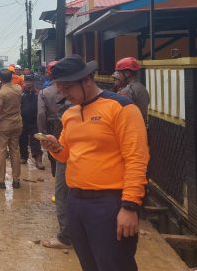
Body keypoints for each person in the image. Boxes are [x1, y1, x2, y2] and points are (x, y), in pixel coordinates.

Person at [40, 55, 149, 271]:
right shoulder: (70, 113)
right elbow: (67, 154)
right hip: (76, 202)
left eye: (67, 87)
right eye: (60, 88)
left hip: (109, 203)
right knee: (89, 264)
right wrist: (55, 148)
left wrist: (129, 206)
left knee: (115, 264)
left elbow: (137, 159)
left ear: (86, 80)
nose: (63, 93)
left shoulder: (121, 108)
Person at [37, 60, 73, 249]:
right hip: (63, 144)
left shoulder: (45, 92)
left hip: (56, 135)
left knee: (62, 191)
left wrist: (42, 136)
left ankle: (66, 237)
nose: (59, 91)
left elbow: (41, 115)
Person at [0, 69, 23, 189]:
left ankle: (0, 180)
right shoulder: (18, 89)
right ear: (11, 77)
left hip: (5, 125)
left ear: (0, 79)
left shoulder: (0, 92)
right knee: (15, 150)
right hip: (17, 123)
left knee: (1, 151)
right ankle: (16, 179)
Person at [114, 57, 150, 125]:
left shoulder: (127, 91)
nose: (118, 76)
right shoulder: (142, 88)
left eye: (119, 73)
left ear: (127, 73)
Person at [20, 80, 44, 170]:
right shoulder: (21, 94)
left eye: (30, 81)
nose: (28, 83)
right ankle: (23, 157)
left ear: (33, 83)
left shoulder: (38, 94)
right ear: (24, 83)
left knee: (35, 141)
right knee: (22, 140)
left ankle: (38, 160)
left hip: (35, 122)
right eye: (27, 82)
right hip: (23, 121)